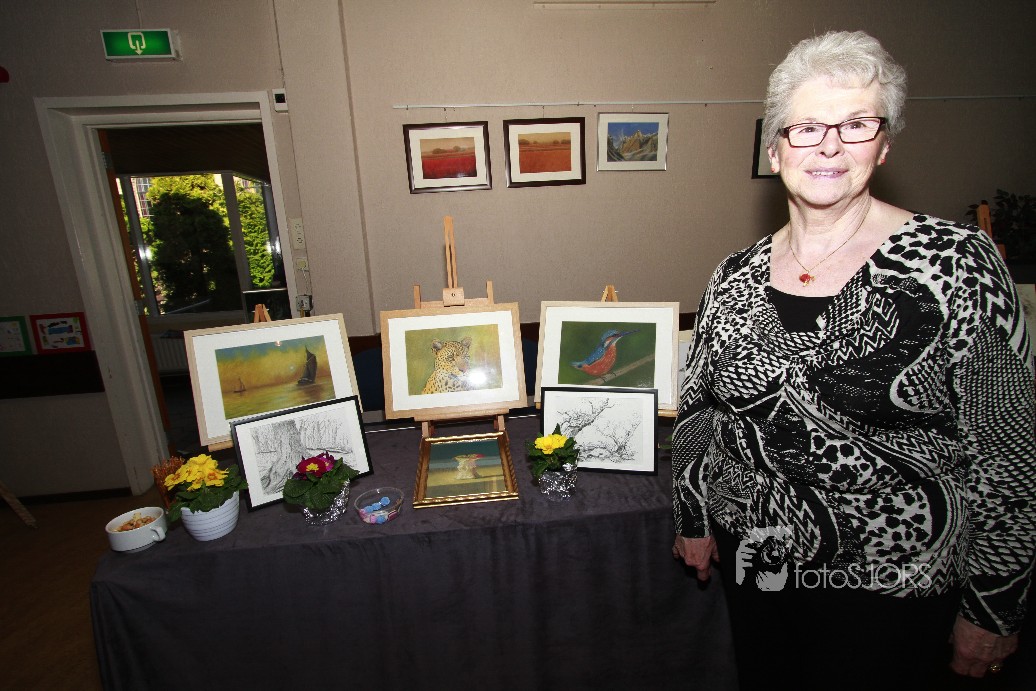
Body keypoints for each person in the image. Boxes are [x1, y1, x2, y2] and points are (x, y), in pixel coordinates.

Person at [671, 30, 1035, 690]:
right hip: (759, 565)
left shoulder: (957, 263)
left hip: (893, 588)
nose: (830, 146)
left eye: (856, 124)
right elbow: (700, 408)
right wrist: (693, 516)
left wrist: (994, 608)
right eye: (807, 127)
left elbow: (1008, 452)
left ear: (883, 144)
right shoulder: (734, 274)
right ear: (775, 147)